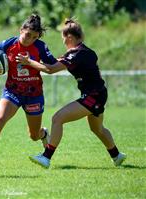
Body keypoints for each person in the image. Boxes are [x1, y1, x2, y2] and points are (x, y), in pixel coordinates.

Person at [16, 19, 126, 168]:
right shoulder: (83, 51)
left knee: (57, 118)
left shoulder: (76, 54)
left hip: (93, 96)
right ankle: (117, 156)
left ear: (69, 37)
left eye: (63, 37)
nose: (63, 41)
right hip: (99, 94)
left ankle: (46, 157)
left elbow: (51, 69)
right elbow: (56, 63)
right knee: (97, 129)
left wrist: (29, 62)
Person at [0, 14, 57, 169]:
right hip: (12, 91)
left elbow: (51, 68)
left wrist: (30, 62)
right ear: (21, 30)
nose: (30, 40)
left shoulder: (40, 47)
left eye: (34, 37)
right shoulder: (10, 43)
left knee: (33, 135)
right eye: (28, 35)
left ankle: (43, 134)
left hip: (33, 94)